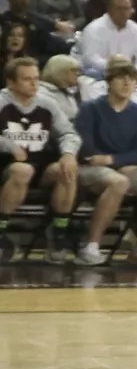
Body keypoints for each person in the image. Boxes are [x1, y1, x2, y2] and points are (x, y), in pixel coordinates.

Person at [71, 59, 137, 265]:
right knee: (118, 182)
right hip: (90, 168)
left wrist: (113, 159)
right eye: (121, 78)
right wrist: (117, 162)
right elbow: (87, 150)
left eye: (132, 79)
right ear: (109, 82)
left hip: (120, 167)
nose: (127, 83)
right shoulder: (90, 107)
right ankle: (91, 246)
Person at [0, 54, 80, 256]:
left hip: (40, 163)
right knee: (22, 170)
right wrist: (9, 146)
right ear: (11, 82)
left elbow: (68, 133)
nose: (34, 84)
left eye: (36, 78)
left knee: (66, 169)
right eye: (27, 79)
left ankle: (59, 230)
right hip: (8, 165)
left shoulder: (48, 103)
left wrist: (69, 153)